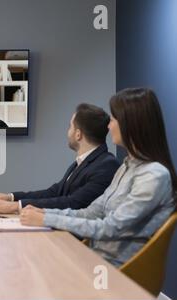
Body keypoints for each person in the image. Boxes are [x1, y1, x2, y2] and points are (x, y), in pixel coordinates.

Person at [21, 88, 177, 267]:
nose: (109, 126)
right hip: (95, 257)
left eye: (113, 119)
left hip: (117, 270)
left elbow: (111, 228)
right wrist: (45, 213)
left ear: (130, 123)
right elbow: (91, 212)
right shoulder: (125, 167)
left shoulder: (154, 176)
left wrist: (46, 219)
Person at [0, 103, 120, 214]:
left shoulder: (106, 166)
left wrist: (15, 206)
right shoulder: (83, 162)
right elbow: (54, 192)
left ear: (78, 135)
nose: (68, 132)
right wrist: (11, 197)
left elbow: (73, 203)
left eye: (70, 127)